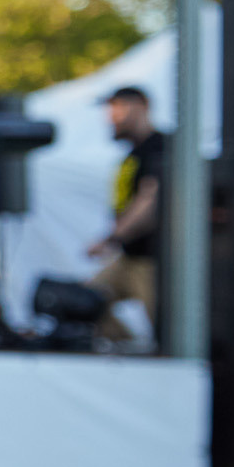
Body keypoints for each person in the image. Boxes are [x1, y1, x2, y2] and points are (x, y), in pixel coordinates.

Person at [87, 84, 165, 347]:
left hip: (154, 261)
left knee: (168, 330)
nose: (111, 116)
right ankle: (130, 347)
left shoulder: (160, 146)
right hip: (130, 257)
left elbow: (150, 201)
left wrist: (112, 238)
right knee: (83, 302)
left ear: (141, 107)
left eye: (118, 107)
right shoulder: (132, 154)